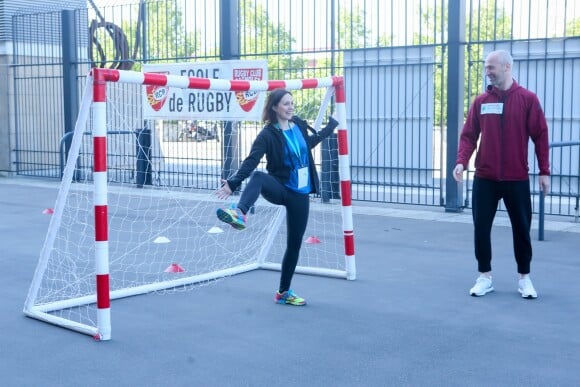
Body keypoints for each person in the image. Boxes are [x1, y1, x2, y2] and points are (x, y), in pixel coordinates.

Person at [214, 88, 339, 306]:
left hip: (301, 193)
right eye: (286, 104)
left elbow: (310, 143)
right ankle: (240, 212)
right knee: (259, 175)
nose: (291, 107)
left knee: (294, 244)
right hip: (281, 188)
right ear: (274, 107)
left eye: (292, 103)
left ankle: (283, 292)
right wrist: (232, 183)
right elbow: (251, 161)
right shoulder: (267, 134)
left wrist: (332, 123)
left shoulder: (298, 123)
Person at [453, 50, 550, 299]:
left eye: (491, 67)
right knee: (481, 228)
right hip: (485, 178)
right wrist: (461, 162)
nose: (487, 71)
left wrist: (544, 171)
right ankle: (484, 276)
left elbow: (540, 136)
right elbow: (469, 135)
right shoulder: (481, 102)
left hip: (517, 178)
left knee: (521, 229)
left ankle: (524, 279)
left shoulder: (527, 99)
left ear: (507, 67)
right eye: (486, 67)